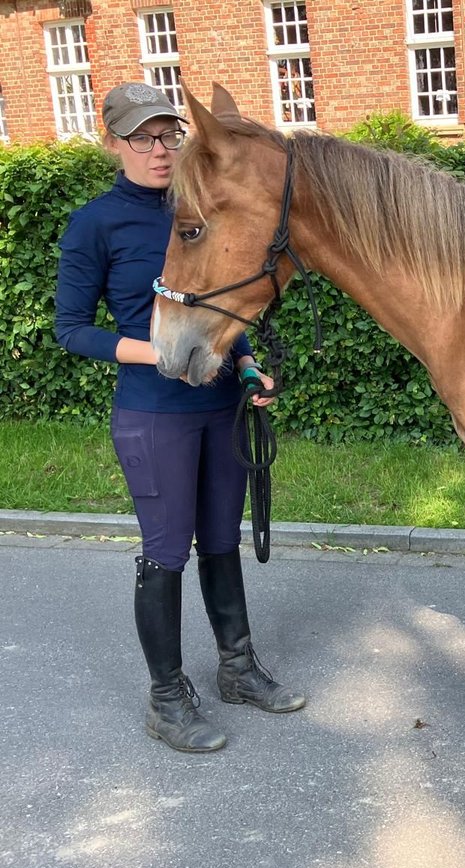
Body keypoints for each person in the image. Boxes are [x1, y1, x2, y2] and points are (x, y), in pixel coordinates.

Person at [54, 83, 304, 753]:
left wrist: (247, 365)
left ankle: (239, 669)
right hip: (154, 412)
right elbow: (71, 330)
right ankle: (166, 699)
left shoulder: (197, 207)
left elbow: (220, 301)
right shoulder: (96, 224)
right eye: (143, 137)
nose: (160, 150)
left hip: (218, 406)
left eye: (169, 135)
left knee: (221, 542)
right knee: (166, 553)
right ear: (112, 142)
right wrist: (155, 353)